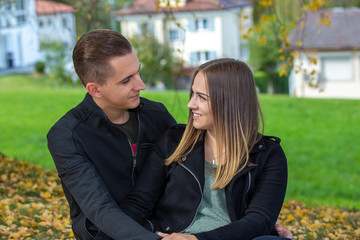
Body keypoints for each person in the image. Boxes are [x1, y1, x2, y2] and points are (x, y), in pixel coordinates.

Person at [47, 29, 293, 239]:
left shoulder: (156, 116)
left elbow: (189, 164)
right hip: (111, 232)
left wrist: (261, 222)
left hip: (164, 228)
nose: (141, 85)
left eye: (138, 72)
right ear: (95, 89)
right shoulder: (68, 135)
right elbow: (102, 209)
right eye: (126, 80)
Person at [121, 58, 290, 240]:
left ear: (230, 102)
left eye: (201, 97)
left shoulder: (267, 155)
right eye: (192, 94)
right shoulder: (174, 142)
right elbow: (139, 203)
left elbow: (259, 220)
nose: (191, 104)